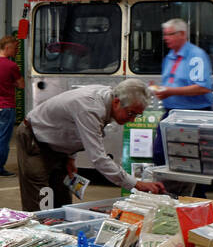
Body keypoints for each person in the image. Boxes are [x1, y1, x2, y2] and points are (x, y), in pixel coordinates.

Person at [15, 80, 166, 211]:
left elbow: (72, 128)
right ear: (116, 102)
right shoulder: (91, 108)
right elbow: (99, 159)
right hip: (35, 140)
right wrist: (136, 184)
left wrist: (70, 157)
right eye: (131, 113)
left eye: (137, 115)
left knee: (63, 202)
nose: (132, 120)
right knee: (40, 202)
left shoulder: (107, 99)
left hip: (58, 145)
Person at [0, 36, 23, 177]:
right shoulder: (12, 66)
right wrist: (11, 83)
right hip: (6, 105)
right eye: (15, 47)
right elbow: (21, 84)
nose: (17, 50)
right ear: (7, 47)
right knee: (3, 138)